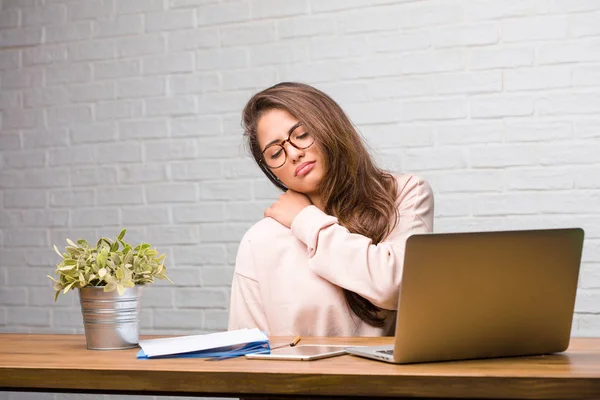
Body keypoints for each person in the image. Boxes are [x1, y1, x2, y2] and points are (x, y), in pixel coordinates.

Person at [227, 82, 434, 337]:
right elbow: (247, 350)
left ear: (329, 126)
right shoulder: (260, 239)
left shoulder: (404, 194)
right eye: (275, 153)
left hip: (386, 376)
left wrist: (306, 220)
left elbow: (394, 287)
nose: (292, 153)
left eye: (301, 135)